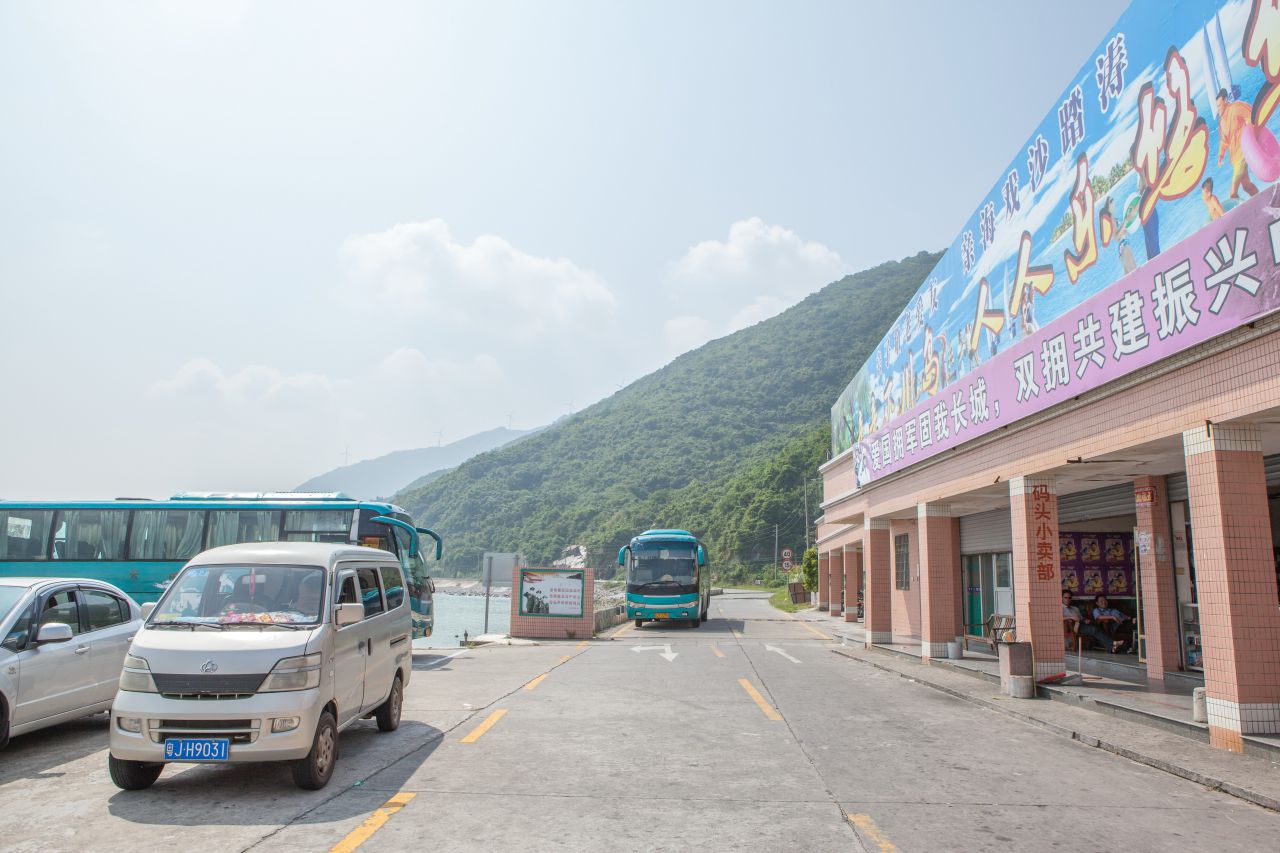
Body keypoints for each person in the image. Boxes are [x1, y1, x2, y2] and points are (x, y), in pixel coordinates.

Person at [1217, 88, 1259, 200]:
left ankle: (1238, 213)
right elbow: (1224, 140)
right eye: (1217, 107)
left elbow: (1251, 115)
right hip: (1234, 158)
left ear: (1225, 100)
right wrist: (1220, 156)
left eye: (1219, 105)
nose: (1218, 109)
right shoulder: (1222, 122)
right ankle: (1262, 200)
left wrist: (1252, 134)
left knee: (1233, 192)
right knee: (1247, 187)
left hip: (1243, 152)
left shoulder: (1236, 108)